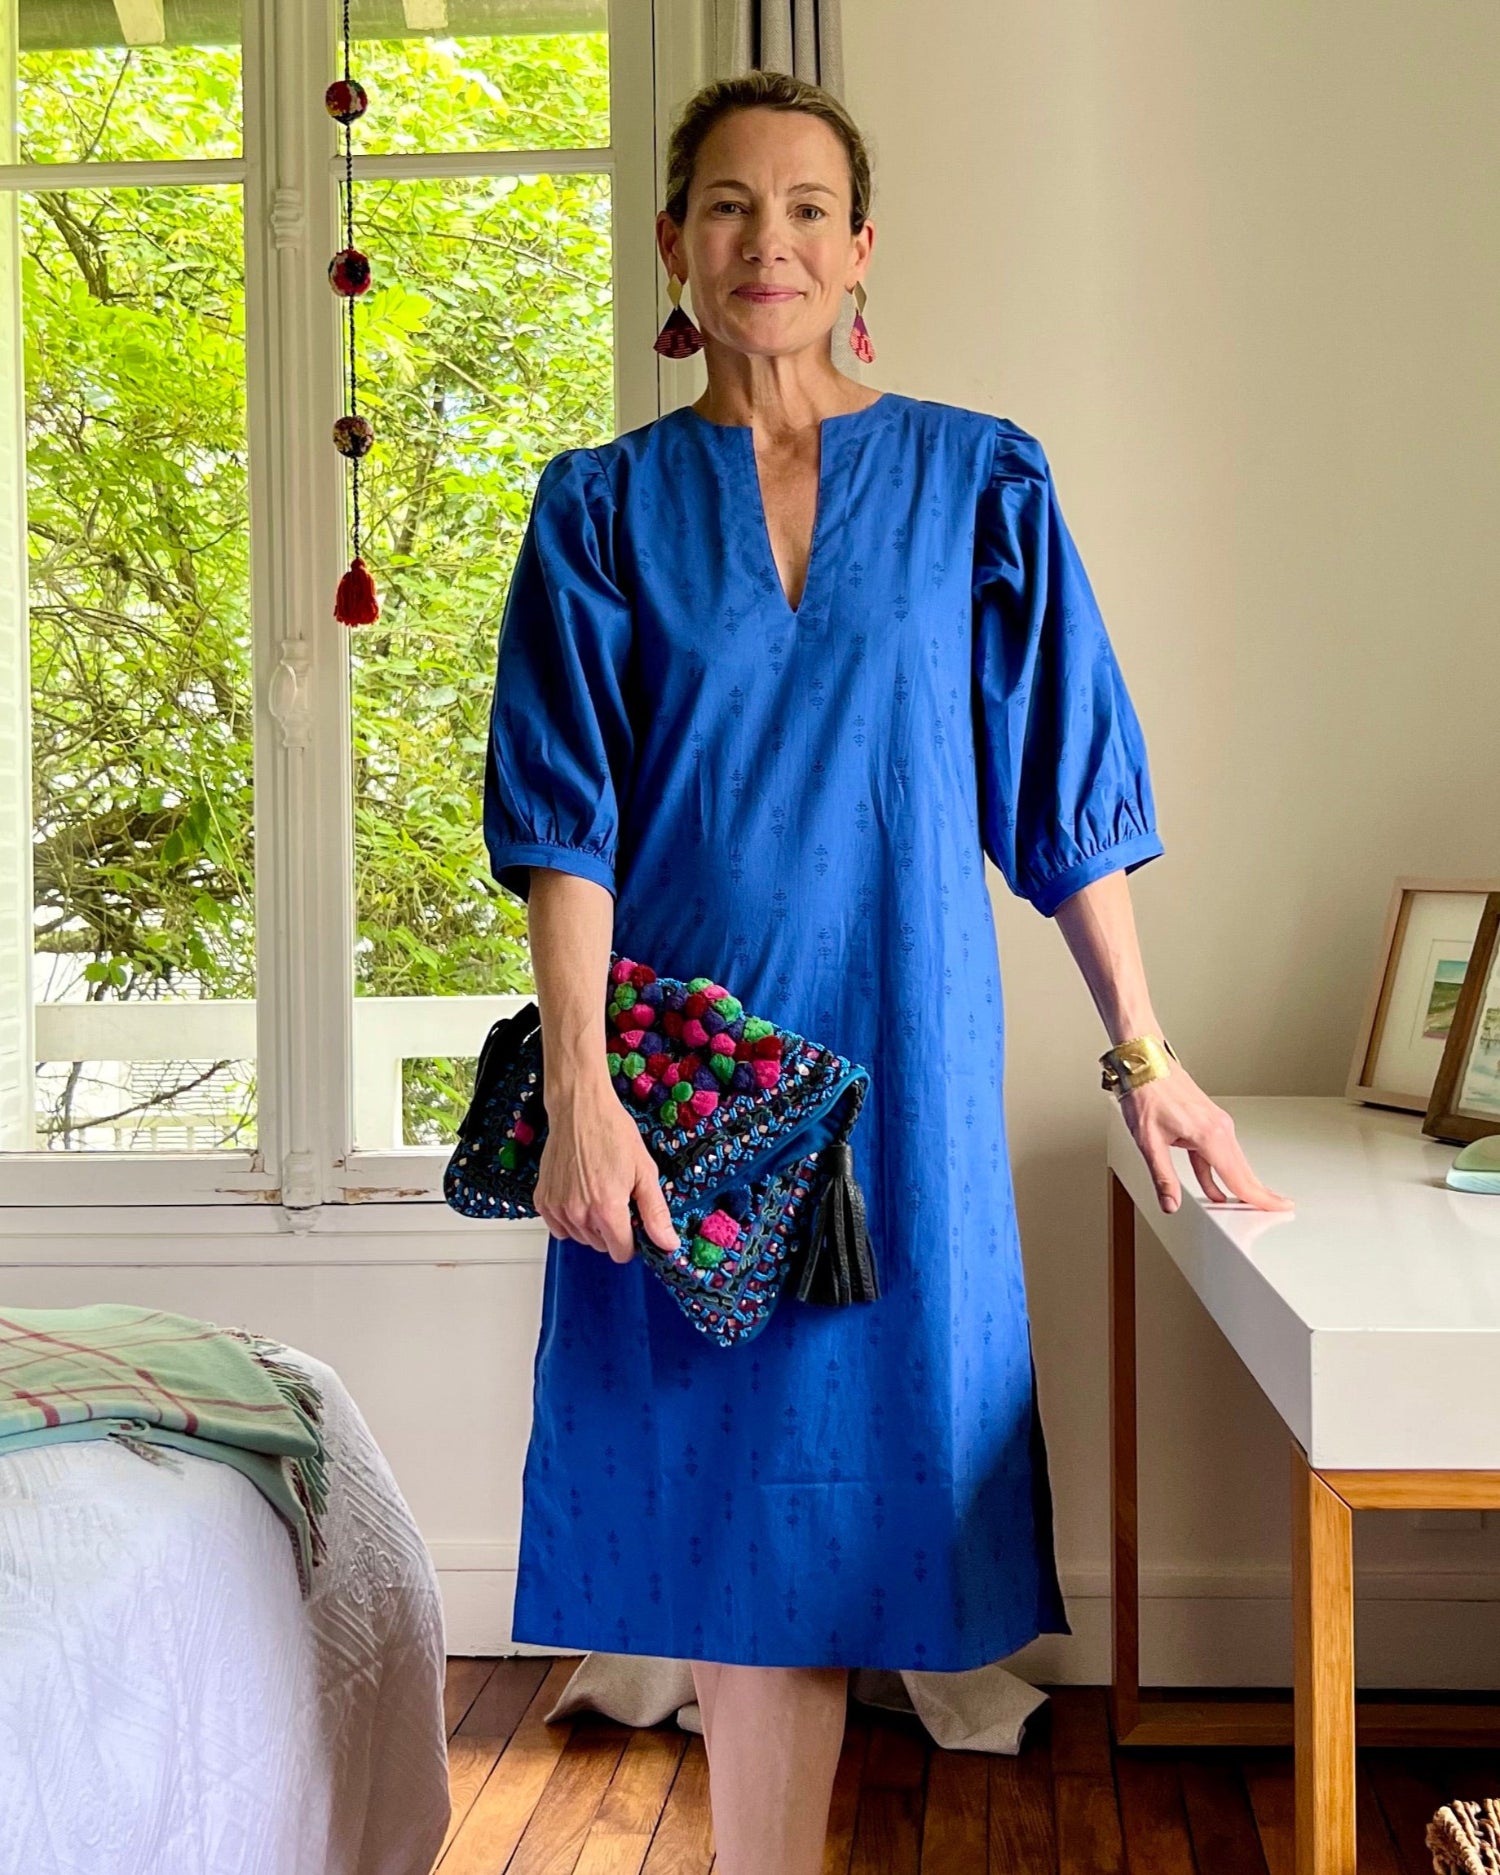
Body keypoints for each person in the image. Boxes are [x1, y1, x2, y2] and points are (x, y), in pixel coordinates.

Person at [482, 66, 1293, 1875]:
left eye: (803, 209)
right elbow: (564, 827)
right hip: (689, 1104)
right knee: (725, 1527)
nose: (766, 243)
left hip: (902, 1077)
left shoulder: (978, 480)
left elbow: (1064, 798)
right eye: (727, 208)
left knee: (845, 1519)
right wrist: (588, 1098)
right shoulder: (597, 511)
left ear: (861, 251)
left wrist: (1151, 1058)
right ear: (674, 248)